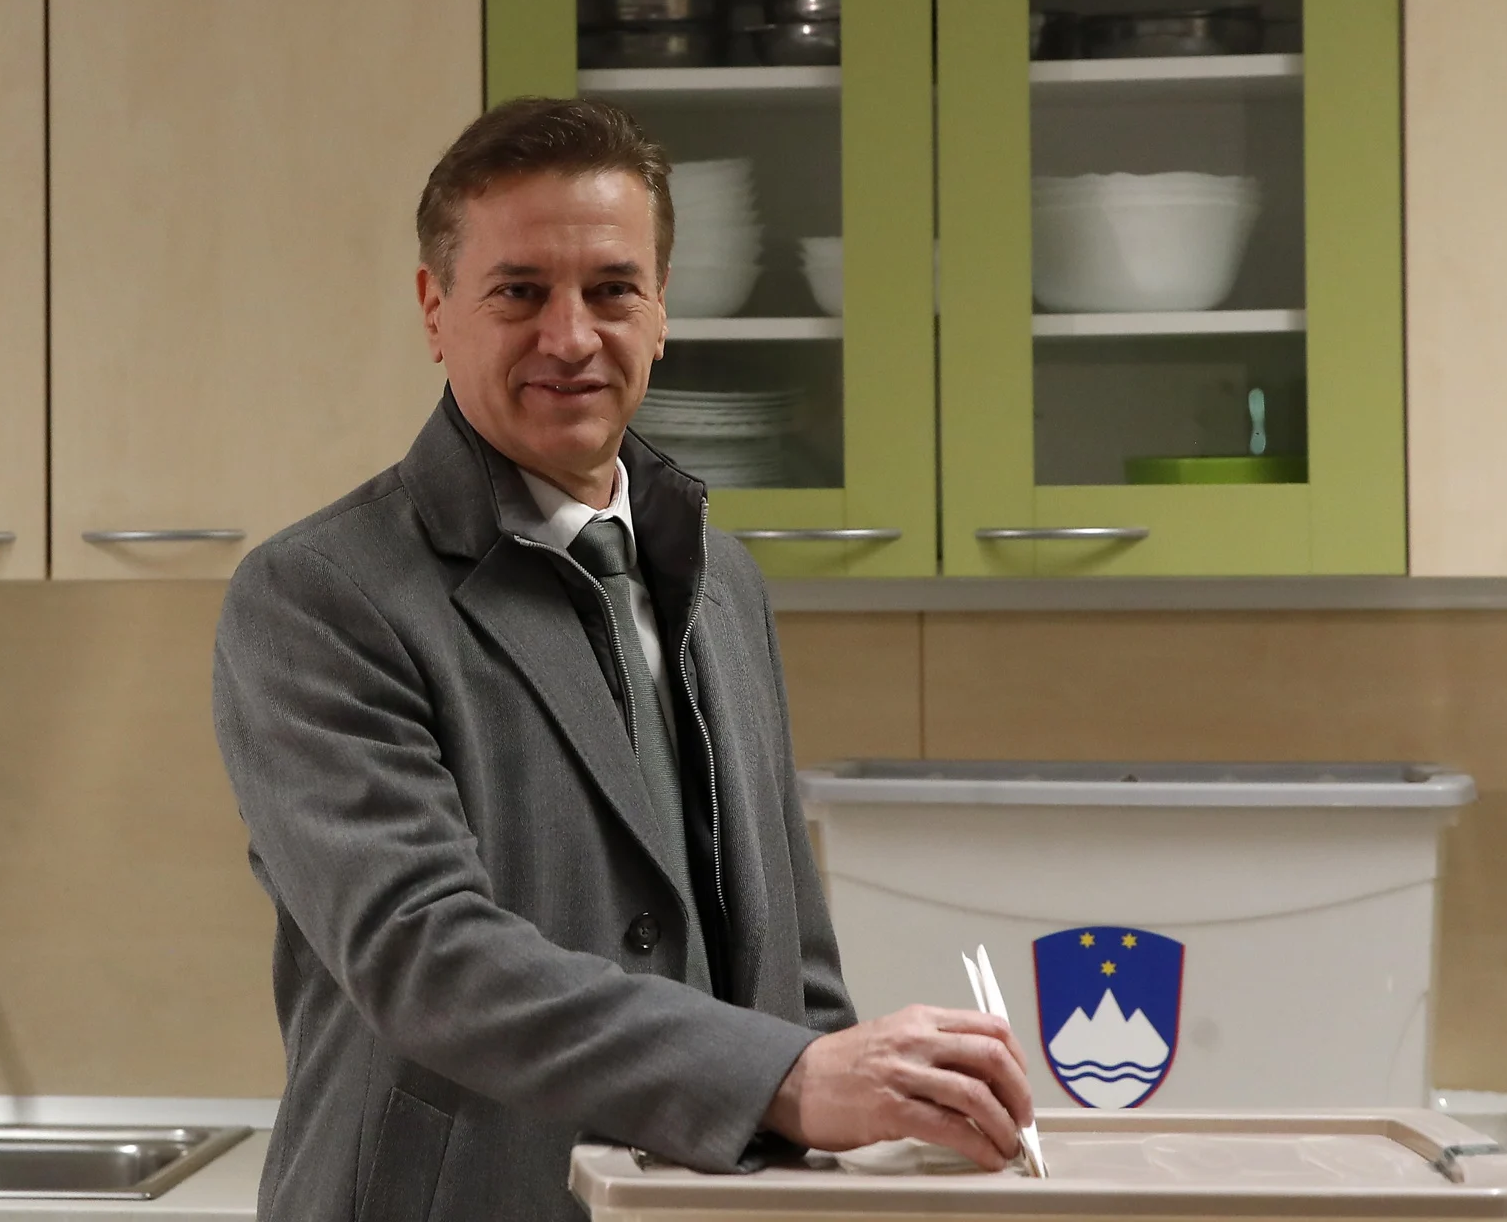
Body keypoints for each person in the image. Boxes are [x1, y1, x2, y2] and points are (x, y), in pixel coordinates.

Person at [212, 96, 1032, 1222]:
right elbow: (422, 954)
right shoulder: (317, 595)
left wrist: (868, 1129)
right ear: (435, 310)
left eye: (611, 289)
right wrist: (789, 1080)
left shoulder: (724, 580)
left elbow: (791, 964)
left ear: (660, 311)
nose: (570, 336)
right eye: (519, 291)